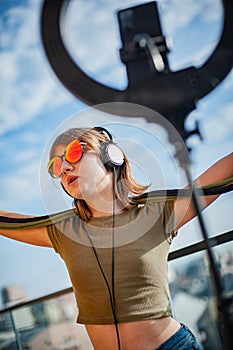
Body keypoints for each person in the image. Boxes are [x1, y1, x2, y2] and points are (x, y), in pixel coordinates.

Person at [0, 126, 232, 350]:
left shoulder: (157, 214)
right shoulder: (63, 231)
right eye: (57, 166)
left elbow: (222, 173)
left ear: (110, 155)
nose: (66, 168)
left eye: (74, 152)